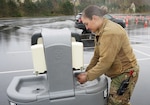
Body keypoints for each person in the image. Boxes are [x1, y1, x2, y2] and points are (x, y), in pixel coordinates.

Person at [77, 5, 139, 105]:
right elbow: (97, 56)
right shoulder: (99, 31)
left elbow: (105, 62)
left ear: (94, 18)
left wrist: (87, 76)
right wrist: (87, 71)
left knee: (115, 102)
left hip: (126, 72)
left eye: (87, 24)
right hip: (119, 72)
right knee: (120, 101)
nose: (86, 27)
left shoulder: (110, 32)